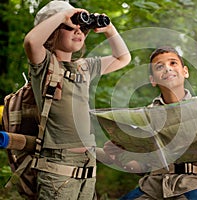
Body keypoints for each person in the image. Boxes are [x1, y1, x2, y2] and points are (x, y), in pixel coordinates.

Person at [23, 1, 131, 199]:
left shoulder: (85, 67)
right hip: (57, 167)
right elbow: (31, 41)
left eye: (83, 28)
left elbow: (123, 57)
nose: (78, 31)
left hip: (88, 164)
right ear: (51, 33)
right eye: (70, 27)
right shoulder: (44, 64)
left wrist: (109, 29)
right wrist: (65, 15)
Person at [104, 46, 197, 200]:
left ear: (185, 72)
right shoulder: (147, 116)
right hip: (152, 187)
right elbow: (142, 167)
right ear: (153, 80)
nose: (167, 68)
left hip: (192, 184)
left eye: (173, 63)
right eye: (159, 66)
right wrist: (120, 156)